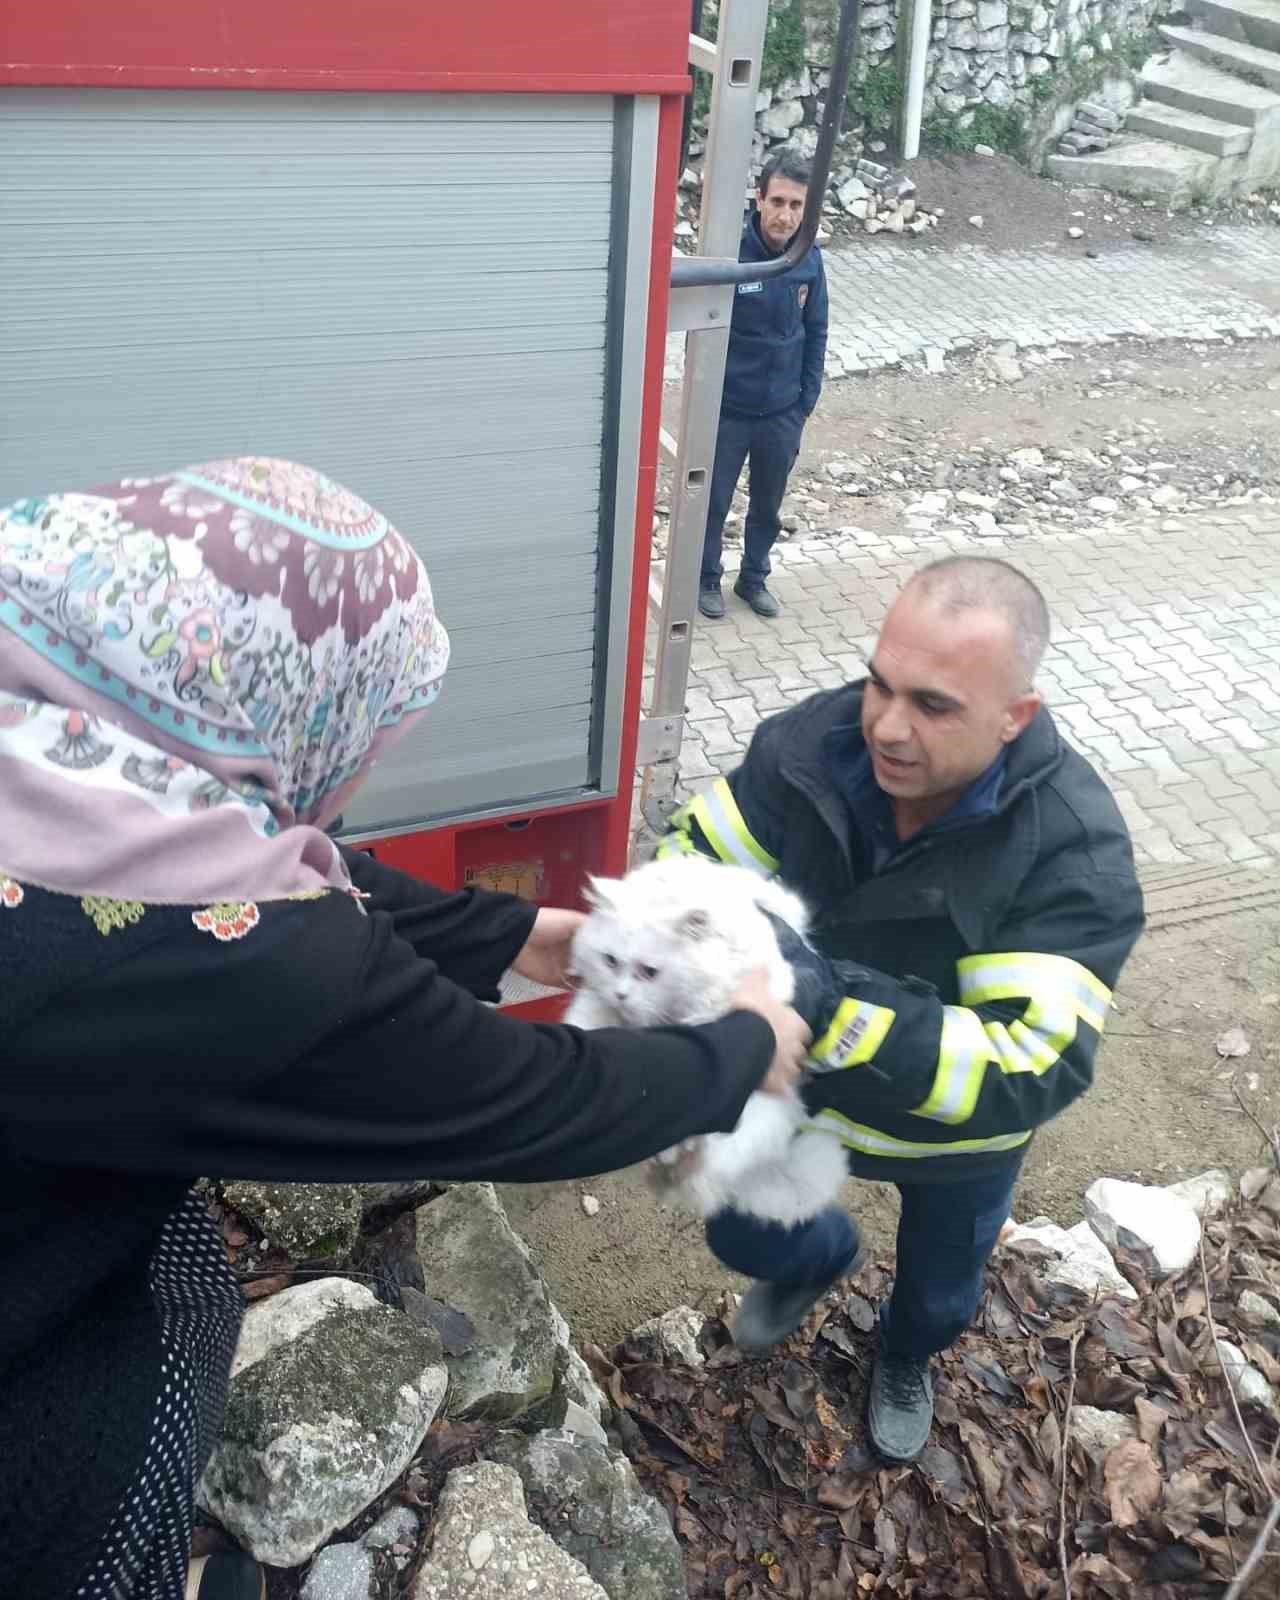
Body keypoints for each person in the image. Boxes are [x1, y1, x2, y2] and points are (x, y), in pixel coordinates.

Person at [0, 457, 812, 1600]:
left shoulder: (65, 733)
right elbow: (528, 1101)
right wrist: (742, 1050)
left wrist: (522, 934)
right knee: (104, 1406)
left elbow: (261, 863)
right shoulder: (227, 956)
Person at [660, 555, 1145, 1464]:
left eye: (932, 705)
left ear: (1016, 717)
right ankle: (815, 1259)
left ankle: (906, 1355)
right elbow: (692, 856)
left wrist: (821, 1002)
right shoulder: (809, 747)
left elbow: (1028, 1064)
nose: (885, 726)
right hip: (797, 1092)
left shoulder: (1073, 853)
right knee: (737, 1222)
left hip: (953, 1145)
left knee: (940, 1297)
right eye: (879, 685)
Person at [698, 149, 829, 623]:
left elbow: (817, 331)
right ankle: (706, 578)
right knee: (712, 503)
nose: (786, 215)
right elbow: (706, 336)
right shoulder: (732, 259)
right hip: (730, 412)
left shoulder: (808, 259)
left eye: (797, 205)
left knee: (768, 505)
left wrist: (804, 402)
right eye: (778, 201)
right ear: (759, 199)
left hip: (782, 414)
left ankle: (753, 578)